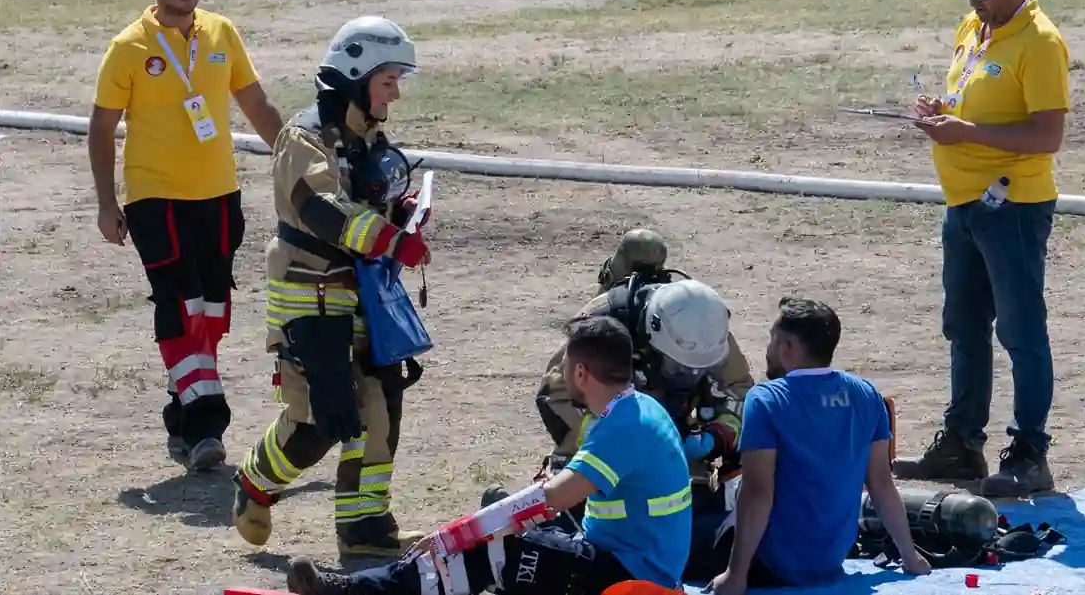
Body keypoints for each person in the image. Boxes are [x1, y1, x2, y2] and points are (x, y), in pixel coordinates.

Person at [285, 314, 694, 595]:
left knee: (491, 548)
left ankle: (359, 590)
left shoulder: (623, 426)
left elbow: (554, 499)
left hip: (630, 579)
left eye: (566, 365)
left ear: (581, 373)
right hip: (631, 560)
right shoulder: (635, 408)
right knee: (500, 527)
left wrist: (454, 534)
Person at [230, 16, 434, 557]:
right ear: (355, 74)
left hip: (363, 295)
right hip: (312, 298)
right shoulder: (301, 138)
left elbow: (365, 200)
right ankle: (254, 483)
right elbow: (324, 211)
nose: (395, 91)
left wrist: (400, 209)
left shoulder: (365, 135)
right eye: (388, 79)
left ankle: (364, 531)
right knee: (324, 419)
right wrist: (392, 240)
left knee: (382, 404)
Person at [88, 0, 284, 472]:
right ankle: (205, 426)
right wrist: (108, 202)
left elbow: (258, 105)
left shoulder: (221, 32)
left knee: (212, 311)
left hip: (220, 196)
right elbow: (101, 129)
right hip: (156, 201)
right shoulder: (128, 48)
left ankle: (182, 410)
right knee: (179, 305)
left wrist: (299, 160)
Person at [897, 0, 1070, 498]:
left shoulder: (1041, 44)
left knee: (1021, 332)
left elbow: (1047, 136)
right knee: (965, 326)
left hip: (1013, 206)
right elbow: (972, 93)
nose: (978, 3)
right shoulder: (974, 26)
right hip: (964, 202)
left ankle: (1029, 452)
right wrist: (940, 109)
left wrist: (965, 130)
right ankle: (961, 445)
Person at [533, 230, 754, 580]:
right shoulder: (604, 317)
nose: (687, 374)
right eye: (677, 364)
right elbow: (555, 395)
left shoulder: (703, 322)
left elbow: (741, 389)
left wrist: (718, 434)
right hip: (609, 442)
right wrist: (611, 446)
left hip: (677, 451)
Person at [708, 298, 931, 595]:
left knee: (690, 521)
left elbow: (758, 493)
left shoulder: (766, 400)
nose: (768, 349)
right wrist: (910, 556)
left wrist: (736, 575)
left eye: (773, 340)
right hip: (829, 560)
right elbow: (880, 483)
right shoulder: (866, 395)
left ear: (787, 347)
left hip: (771, 564)